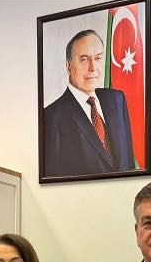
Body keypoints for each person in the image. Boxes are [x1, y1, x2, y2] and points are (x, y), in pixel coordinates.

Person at [43, 29, 135, 177]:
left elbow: (129, 162)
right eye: (84, 59)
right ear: (68, 66)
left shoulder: (117, 100)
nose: (93, 67)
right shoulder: (51, 117)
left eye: (98, 58)